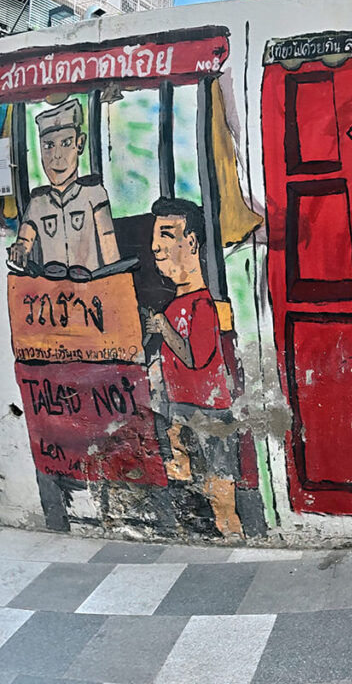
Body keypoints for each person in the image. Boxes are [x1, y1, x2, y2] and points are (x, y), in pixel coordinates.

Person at [143, 196, 243, 537]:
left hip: (210, 413)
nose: (155, 247)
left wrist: (164, 328)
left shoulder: (202, 305)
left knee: (220, 491)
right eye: (155, 237)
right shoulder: (175, 305)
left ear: (191, 242)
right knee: (188, 484)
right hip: (180, 410)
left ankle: (232, 536)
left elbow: (194, 358)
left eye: (166, 235)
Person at [7, 98, 120, 273]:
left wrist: (114, 279)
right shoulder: (38, 202)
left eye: (66, 143)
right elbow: (24, 241)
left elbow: (109, 248)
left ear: (79, 144)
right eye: (48, 146)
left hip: (91, 285)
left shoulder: (94, 193)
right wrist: (19, 250)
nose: (57, 155)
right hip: (51, 286)